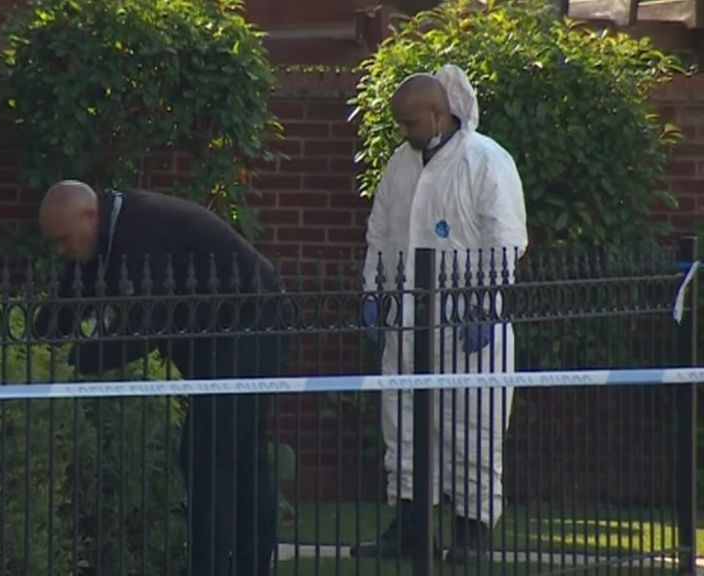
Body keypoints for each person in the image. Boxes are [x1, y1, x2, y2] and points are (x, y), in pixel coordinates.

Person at [33, 180, 290, 576]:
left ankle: (212, 566)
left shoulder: (140, 229)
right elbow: (74, 291)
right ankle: (248, 564)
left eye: (63, 240)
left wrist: (78, 359)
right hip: (229, 333)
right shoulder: (110, 232)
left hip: (251, 326)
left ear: (89, 216)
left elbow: (147, 323)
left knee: (207, 454)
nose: (61, 251)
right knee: (240, 458)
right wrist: (39, 342)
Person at [354, 65, 528, 561]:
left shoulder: (485, 160)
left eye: (409, 122)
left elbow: (505, 242)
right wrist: (375, 293)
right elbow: (381, 233)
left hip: (470, 329)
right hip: (407, 323)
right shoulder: (400, 164)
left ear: (436, 112)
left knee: (474, 425)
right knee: (404, 424)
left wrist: (484, 307)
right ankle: (410, 528)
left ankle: (472, 533)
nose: (403, 132)